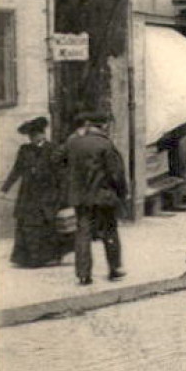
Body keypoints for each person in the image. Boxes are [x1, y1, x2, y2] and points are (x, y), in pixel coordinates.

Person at [62, 111, 127, 285]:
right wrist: (121, 194)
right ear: (103, 125)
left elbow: (60, 162)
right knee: (110, 231)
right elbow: (116, 174)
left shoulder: (72, 141)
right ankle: (114, 269)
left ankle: (83, 274)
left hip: (81, 198)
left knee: (82, 233)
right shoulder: (105, 144)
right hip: (103, 196)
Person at [2, 116, 69, 268]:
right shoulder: (24, 150)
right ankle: (26, 258)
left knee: (46, 225)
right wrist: (5, 188)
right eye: (30, 136)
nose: (33, 138)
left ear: (43, 134)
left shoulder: (53, 149)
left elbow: (61, 174)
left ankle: (48, 257)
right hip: (28, 195)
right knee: (26, 225)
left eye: (35, 135)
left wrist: (62, 195)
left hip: (47, 194)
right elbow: (16, 170)